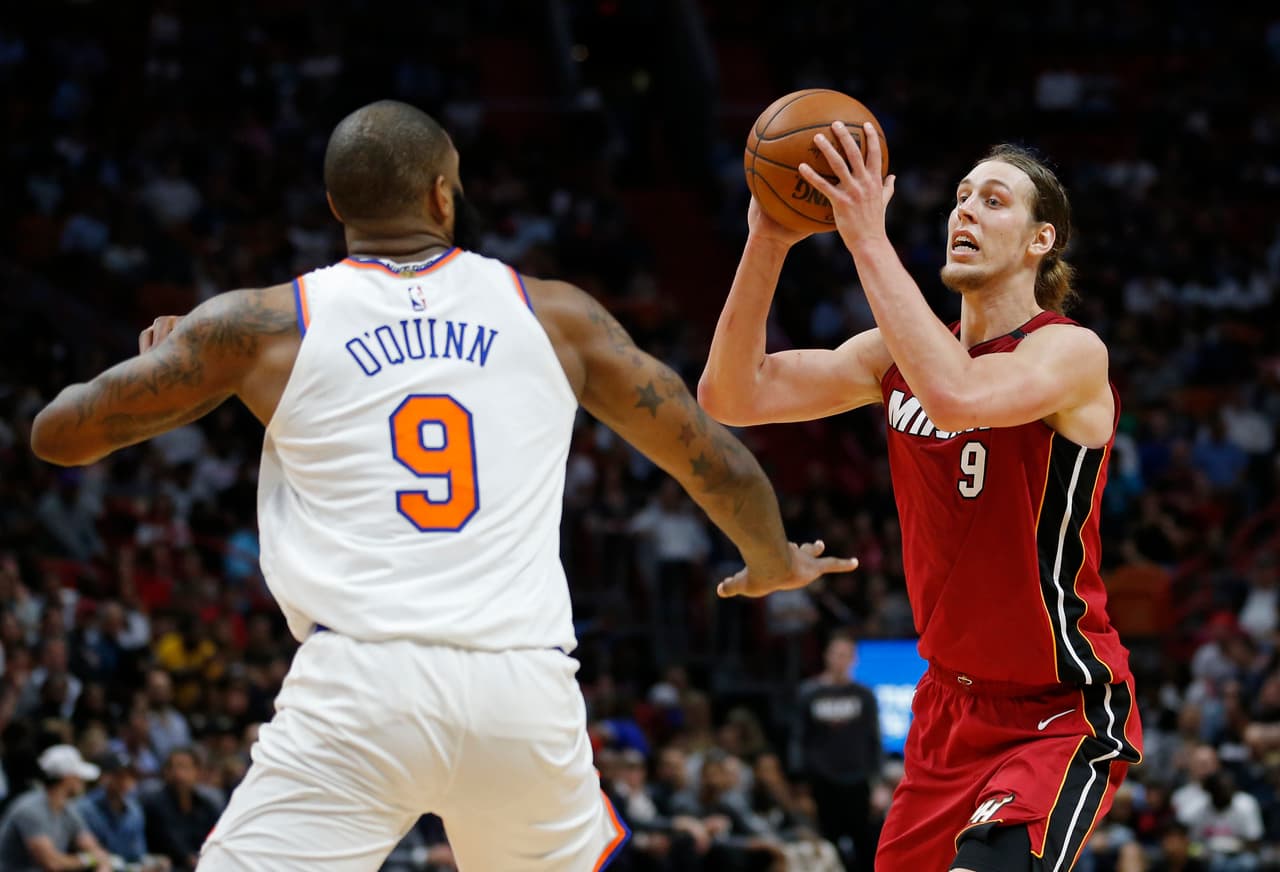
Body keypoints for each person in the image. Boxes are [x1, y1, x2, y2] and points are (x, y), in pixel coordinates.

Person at [29, 99, 856, 871]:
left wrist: (161, 367)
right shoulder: (556, 315)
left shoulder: (261, 324)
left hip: (361, 689)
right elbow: (715, 459)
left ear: (335, 206)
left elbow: (59, 435)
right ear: (441, 193)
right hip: (522, 690)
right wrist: (772, 560)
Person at [699, 123, 1143, 871]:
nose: (965, 211)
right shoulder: (891, 357)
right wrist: (769, 239)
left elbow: (958, 393)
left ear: (1041, 240)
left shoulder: (1068, 351)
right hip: (946, 710)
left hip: (1057, 708)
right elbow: (732, 394)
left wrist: (865, 236)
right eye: (961, 197)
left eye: (993, 200)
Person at [790, 629, 881, 871]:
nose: (840, 660)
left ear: (854, 659)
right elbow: (799, 737)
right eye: (836, 654)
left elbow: (873, 739)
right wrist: (800, 782)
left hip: (857, 780)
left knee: (865, 844)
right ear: (826, 656)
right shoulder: (809, 692)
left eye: (846, 655)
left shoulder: (864, 695)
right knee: (828, 845)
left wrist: (877, 781)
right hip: (822, 780)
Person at [0, 744, 113, 871]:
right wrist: (89, 859)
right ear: (67, 778)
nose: (83, 781)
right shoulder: (30, 809)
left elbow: (94, 849)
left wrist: (102, 865)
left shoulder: (68, 809)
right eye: (79, 776)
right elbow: (52, 863)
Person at [76, 750, 170, 871]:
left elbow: (137, 855)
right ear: (105, 777)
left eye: (130, 776)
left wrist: (153, 863)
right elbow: (90, 854)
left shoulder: (135, 811)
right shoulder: (85, 808)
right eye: (119, 775)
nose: (125, 781)